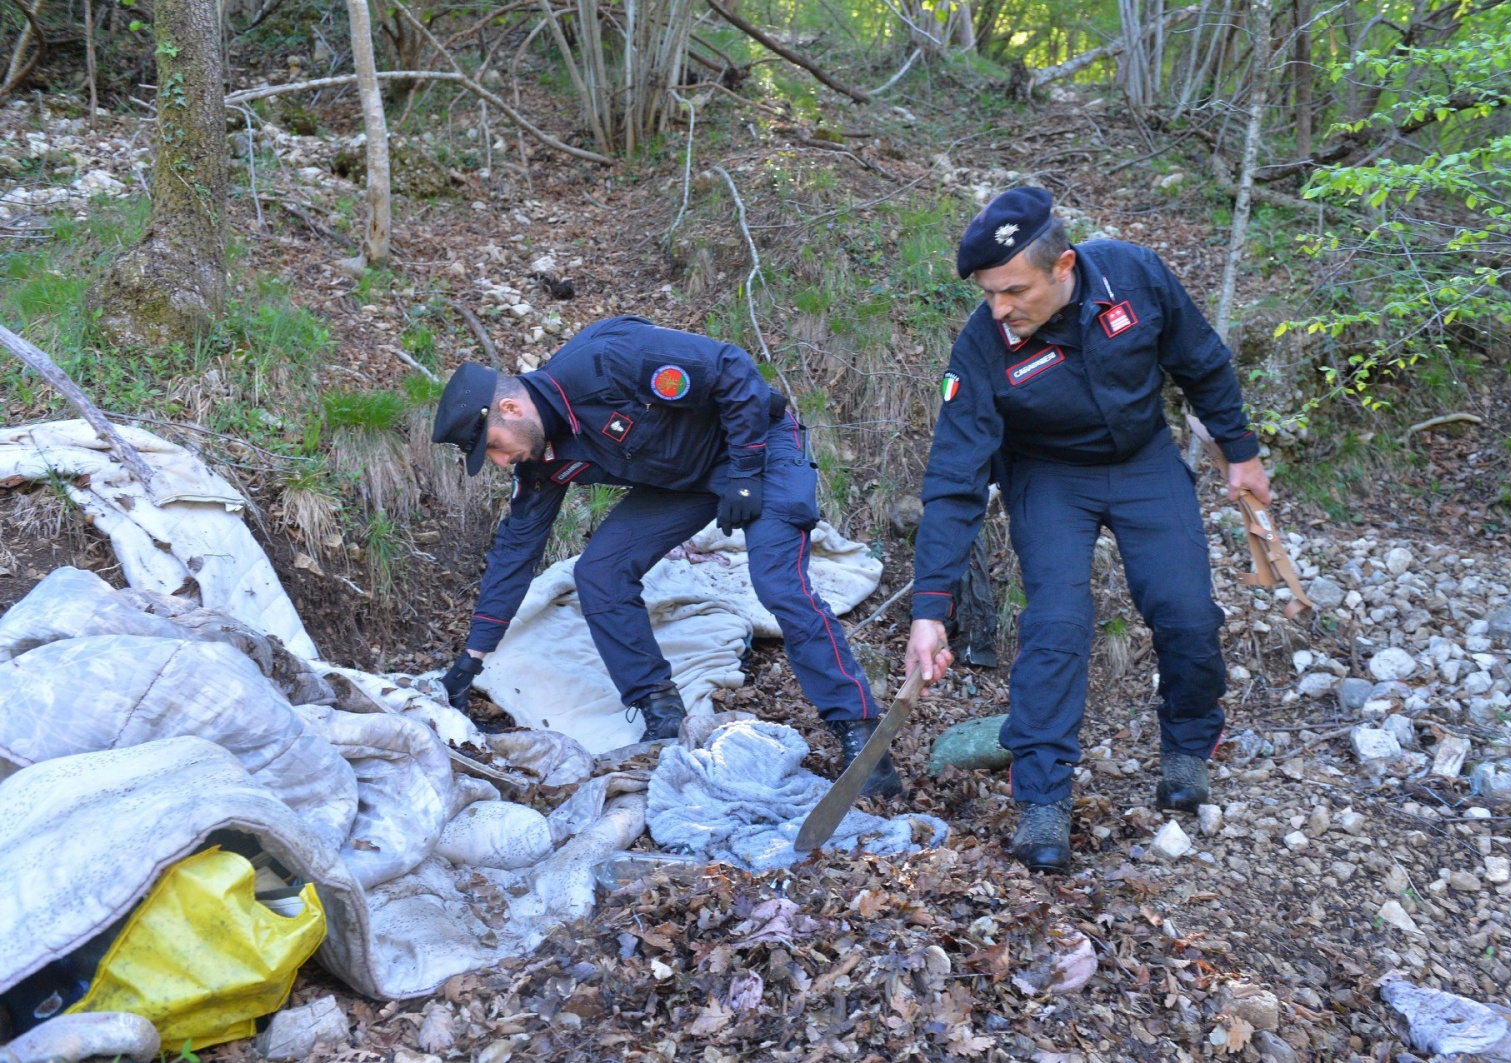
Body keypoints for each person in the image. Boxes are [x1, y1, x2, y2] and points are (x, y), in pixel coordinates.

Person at [903, 188, 1270, 873]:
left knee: (1186, 613)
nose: (998, 309)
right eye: (987, 293)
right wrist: (931, 610)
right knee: (1058, 622)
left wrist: (1241, 451)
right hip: (1048, 478)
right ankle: (1043, 797)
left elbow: (1201, 361)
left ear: (1064, 265)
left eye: (1012, 291)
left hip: (1142, 461)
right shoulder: (983, 346)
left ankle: (1189, 744)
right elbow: (954, 482)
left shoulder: (1134, 276)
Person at [431, 316, 901, 797]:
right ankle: (662, 720)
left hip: (759, 450)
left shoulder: (604, 362)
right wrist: (473, 658)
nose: (501, 461)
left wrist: (742, 472)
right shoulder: (542, 459)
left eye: (493, 446)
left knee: (777, 583)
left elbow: (732, 369)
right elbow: (515, 552)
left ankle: (863, 740)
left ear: (509, 408)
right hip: (686, 482)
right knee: (600, 572)